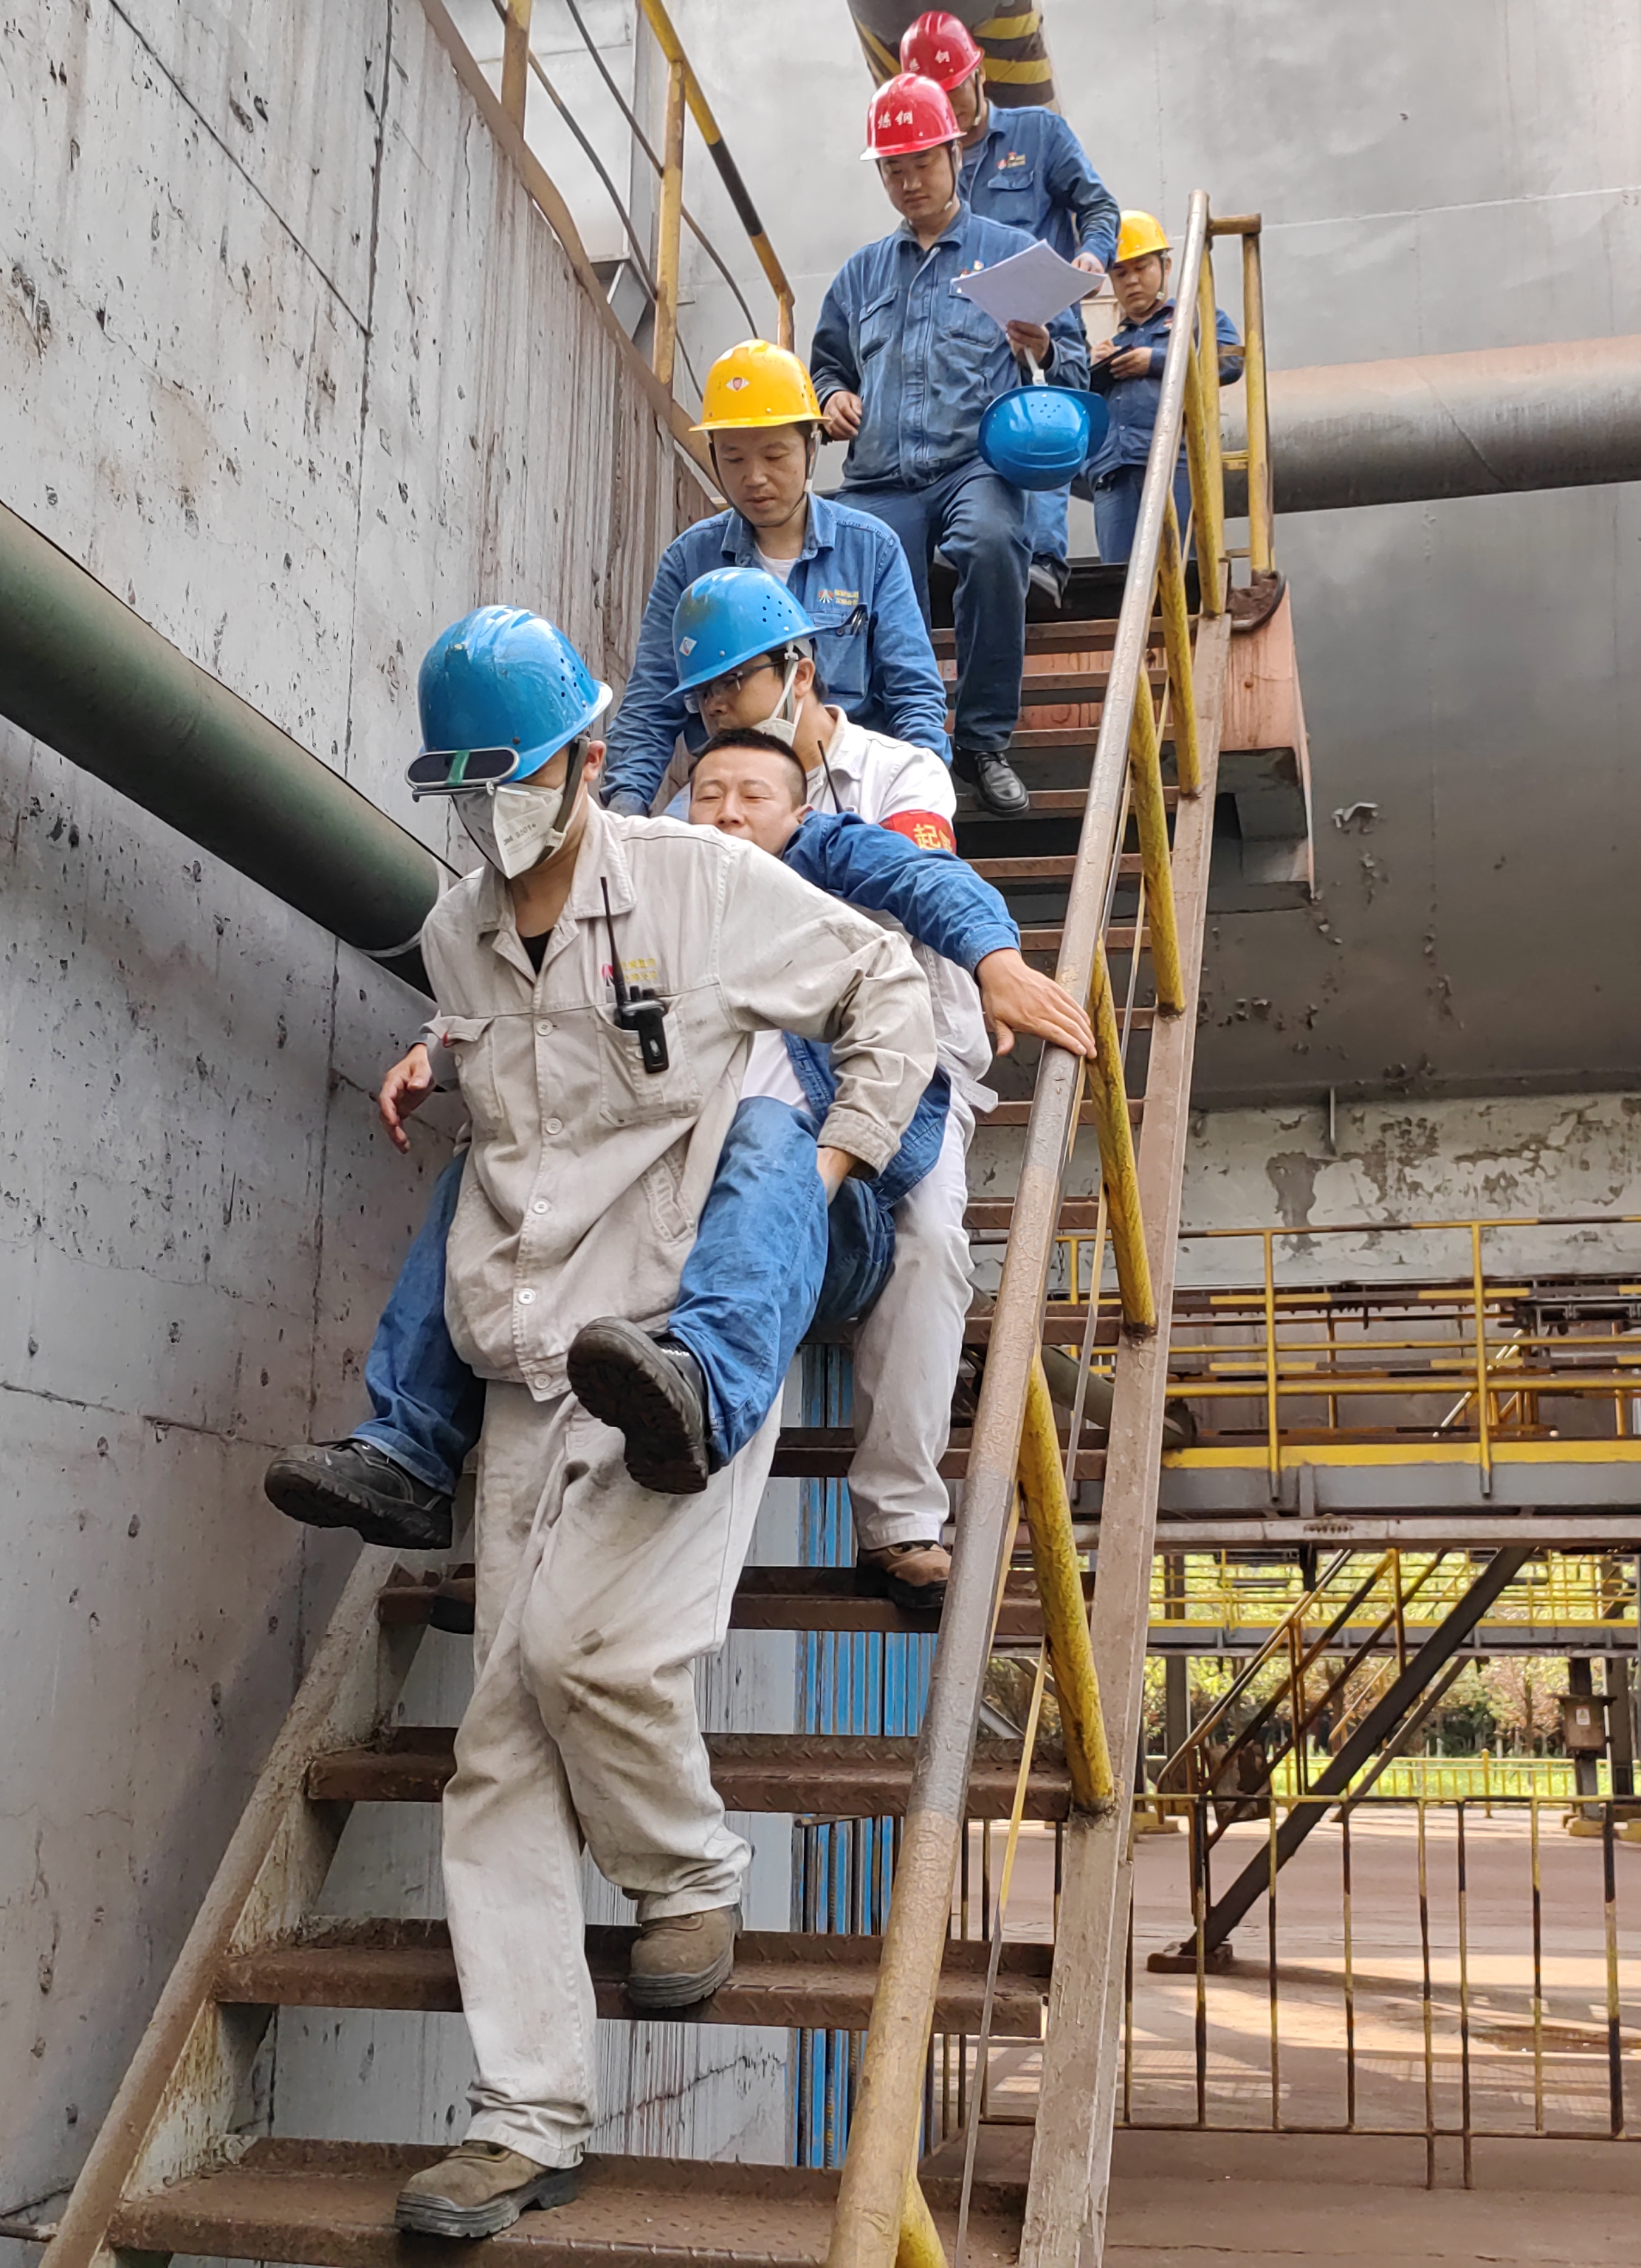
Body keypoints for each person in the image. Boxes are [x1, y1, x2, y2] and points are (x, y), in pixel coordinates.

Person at [363, 605, 933, 2240]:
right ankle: (524, 2117)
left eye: (514, 776)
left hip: (679, 1349)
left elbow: (882, 985)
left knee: (586, 1660)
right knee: (490, 1757)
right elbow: (527, 1105)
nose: (490, 811)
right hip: (531, 1359)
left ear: (586, 762)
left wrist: (831, 1173)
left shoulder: (697, 887)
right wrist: (441, 1076)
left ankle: (688, 1872)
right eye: (461, 785)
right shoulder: (455, 931)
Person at [581, 718, 1093, 1607]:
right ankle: (561, 1511)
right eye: (708, 795)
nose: (728, 815)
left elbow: (921, 878)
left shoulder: (835, 842)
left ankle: (897, 1522)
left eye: (751, 798)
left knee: (931, 1243)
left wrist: (994, 958)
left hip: (876, 1098)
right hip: (732, 1113)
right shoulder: (663, 881)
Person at [812, 71, 1085, 824]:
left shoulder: (1010, 253)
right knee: (849, 577)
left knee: (997, 539)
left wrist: (1039, 348)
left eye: (920, 163)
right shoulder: (862, 274)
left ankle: (983, 742)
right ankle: (881, 747)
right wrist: (831, 397)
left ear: (954, 153)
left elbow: (1072, 369)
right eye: (892, 169)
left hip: (973, 467)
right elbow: (828, 363)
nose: (907, 182)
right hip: (880, 479)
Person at [600, 338, 949, 816]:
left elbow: (913, 690)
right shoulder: (689, 561)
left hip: (842, 784)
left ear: (811, 447)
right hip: (730, 790)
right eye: (735, 459)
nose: (756, 478)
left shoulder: (870, 548)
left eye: (775, 455)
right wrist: (624, 814)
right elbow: (649, 704)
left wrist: (921, 791)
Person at [899, 9, 1118, 612]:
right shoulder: (931, 165)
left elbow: (1098, 206)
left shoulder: (1039, 135)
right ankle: (969, 554)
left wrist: (1094, 257)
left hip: (1037, 314)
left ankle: (1043, 561)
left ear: (981, 76)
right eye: (935, 98)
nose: (950, 105)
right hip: (962, 330)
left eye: (955, 90)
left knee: (1039, 421)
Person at [1087, 207, 1244, 567]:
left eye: (1142, 268)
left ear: (1166, 267)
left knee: (1184, 574)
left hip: (1175, 466)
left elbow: (1230, 362)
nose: (1132, 281)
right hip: (1114, 475)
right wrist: (1094, 369)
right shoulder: (1112, 341)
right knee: (1118, 583)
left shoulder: (1197, 320)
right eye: (1121, 272)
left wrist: (1155, 360)